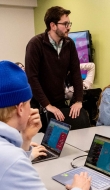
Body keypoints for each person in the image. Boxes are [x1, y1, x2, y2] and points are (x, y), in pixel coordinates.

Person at [0, 60, 91, 190]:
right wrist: (79, 188)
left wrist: (25, 140)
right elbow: (13, 165)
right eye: (28, 103)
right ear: (20, 108)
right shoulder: (12, 160)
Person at [25, 6, 83, 127]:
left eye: (69, 23)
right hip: (38, 105)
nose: (69, 27)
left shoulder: (69, 44)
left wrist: (78, 100)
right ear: (53, 25)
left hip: (59, 101)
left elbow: (76, 73)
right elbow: (32, 78)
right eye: (65, 24)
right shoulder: (35, 44)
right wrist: (47, 105)